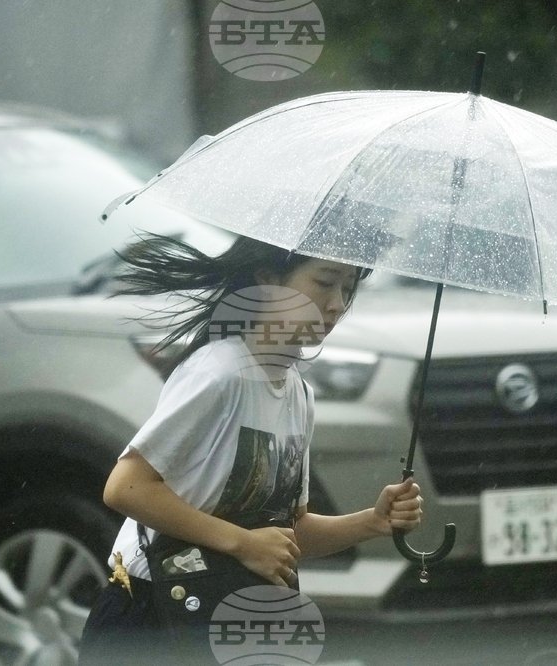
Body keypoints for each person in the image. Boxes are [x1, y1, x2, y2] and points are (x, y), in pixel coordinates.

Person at [78, 234, 423, 665]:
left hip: (228, 616)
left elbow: (285, 535)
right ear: (267, 279)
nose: (336, 303)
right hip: (151, 614)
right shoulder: (219, 373)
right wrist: (242, 543)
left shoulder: (298, 394)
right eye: (325, 282)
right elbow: (126, 488)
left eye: (348, 288)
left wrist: (372, 522)